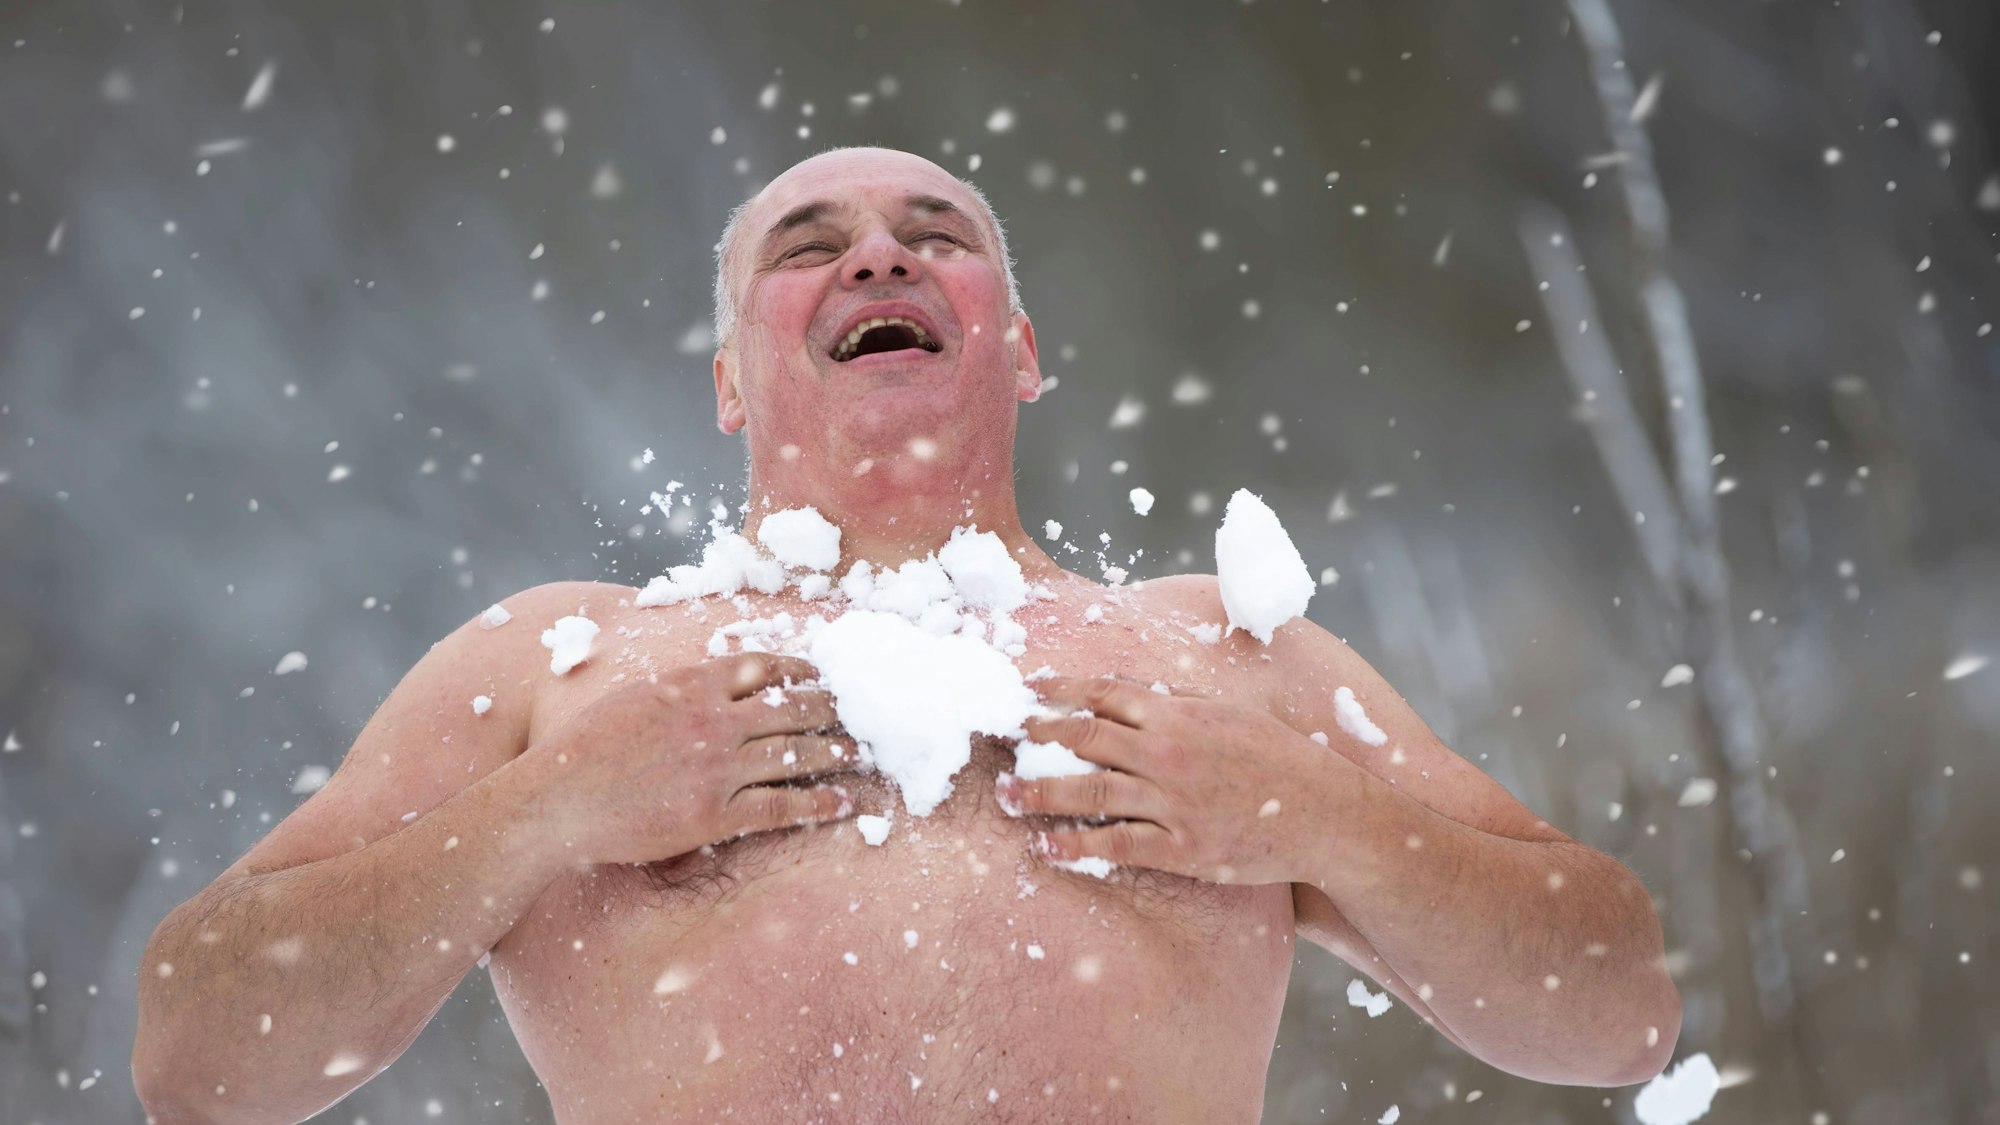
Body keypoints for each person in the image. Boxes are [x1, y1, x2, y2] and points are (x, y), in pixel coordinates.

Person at [132, 146, 1680, 1123]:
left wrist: (1312, 810)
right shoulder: (562, 671)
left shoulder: (1228, 663)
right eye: (810, 242)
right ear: (732, 379)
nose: (877, 252)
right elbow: (200, 1056)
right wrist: (549, 811)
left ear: (1018, 344)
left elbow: (1616, 1011)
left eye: (933, 230)